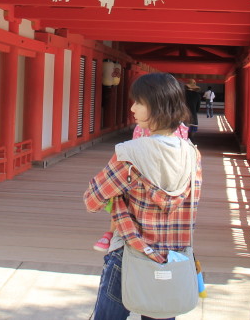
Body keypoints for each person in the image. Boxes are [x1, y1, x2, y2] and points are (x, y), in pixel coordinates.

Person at [85, 72, 201, 320]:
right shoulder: (192, 155)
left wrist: (117, 199)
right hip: (173, 256)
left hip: (130, 251)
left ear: (157, 105)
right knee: (161, 314)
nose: (132, 107)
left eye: (139, 102)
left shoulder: (130, 153)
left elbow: (92, 200)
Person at [92, 117, 189, 253]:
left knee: (122, 198)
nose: (133, 108)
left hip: (156, 179)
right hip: (161, 181)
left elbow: (93, 199)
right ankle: (111, 231)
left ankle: (114, 232)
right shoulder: (181, 135)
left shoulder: (179, 131)